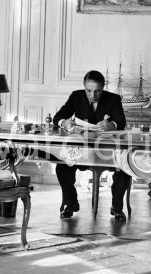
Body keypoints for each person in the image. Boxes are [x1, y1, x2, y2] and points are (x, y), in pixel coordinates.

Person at [53, 70, 131, 221]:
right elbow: (58, 117)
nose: (93, 95)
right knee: (62, 166)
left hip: (107, 150)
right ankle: (71, 203)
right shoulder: (76, 96)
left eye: (97, 91)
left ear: (103, 87)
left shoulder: (113, 98)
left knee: (124, 168)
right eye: (89, 90)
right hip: (81, 150)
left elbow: (121, 121)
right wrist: (64, 122)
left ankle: (117, 208)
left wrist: (111, 125)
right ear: (84, 86)